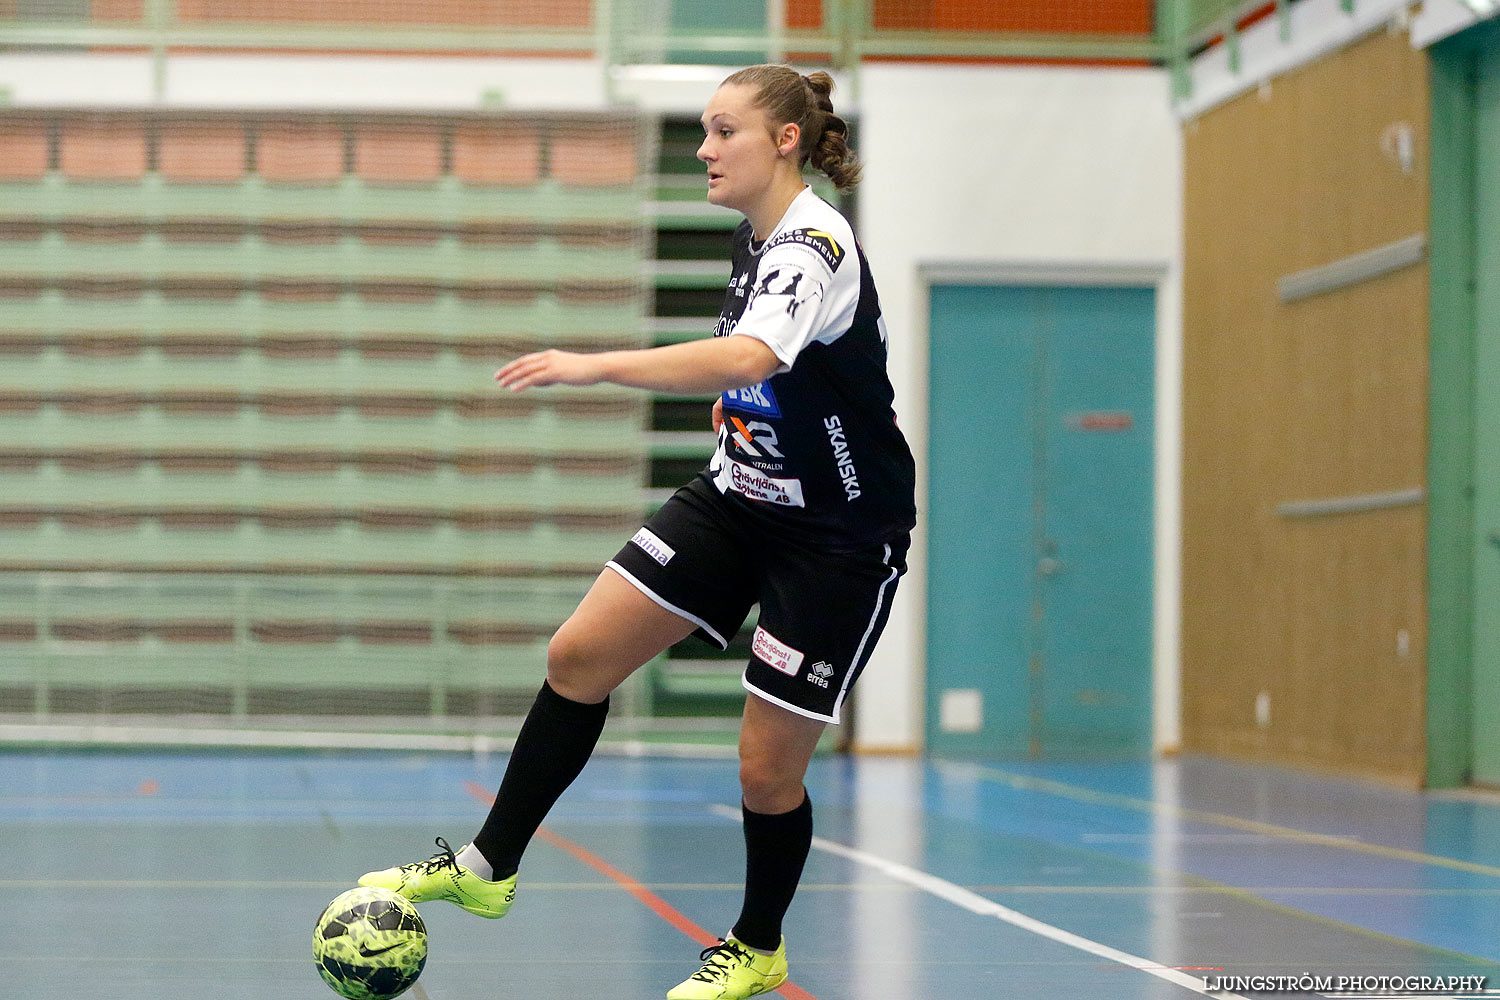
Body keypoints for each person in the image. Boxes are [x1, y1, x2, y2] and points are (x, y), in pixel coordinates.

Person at [358, 63, 916, 1000]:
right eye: (702, 130)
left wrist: (595, 365)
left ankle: (757, 944)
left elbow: (748, 353)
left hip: (837, 535)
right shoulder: (756, 238)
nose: (703, 148)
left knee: (765, 770)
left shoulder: (812, 245)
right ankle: (490, 868)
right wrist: (743, 416)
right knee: (578, 655)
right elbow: (766, 371)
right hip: (741, 497)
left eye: (722, 131)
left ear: (783, 140)